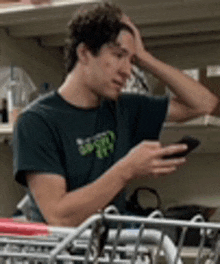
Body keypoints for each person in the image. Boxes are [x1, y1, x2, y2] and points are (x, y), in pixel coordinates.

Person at [13, 2, 219, 227]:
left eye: (130, 61)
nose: (127, 70)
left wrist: (144, 56)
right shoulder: (37, 122)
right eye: (118, 55)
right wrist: (127, 169)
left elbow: (204, 104)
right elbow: (59, 216)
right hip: (62, 256)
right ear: (84, 53)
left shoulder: (123, 108)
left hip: (111, 249)